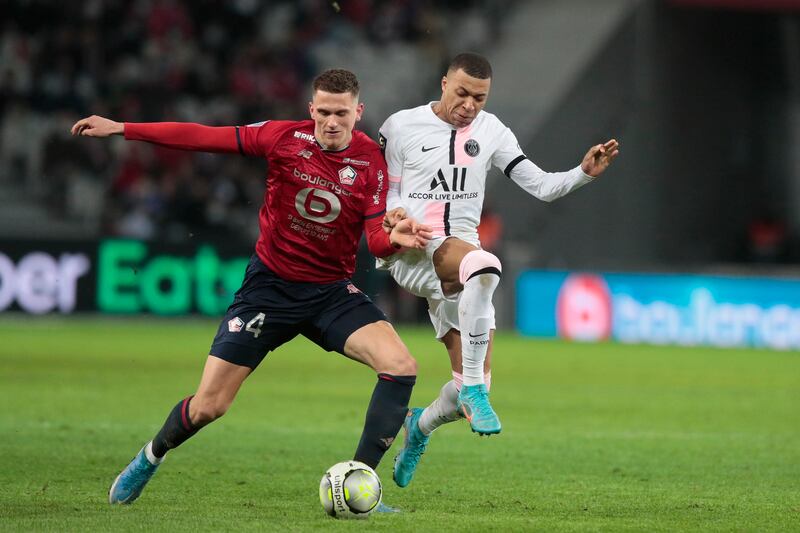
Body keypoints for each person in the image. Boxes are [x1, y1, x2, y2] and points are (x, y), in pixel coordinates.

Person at [71, 69, 433, 508]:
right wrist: (123, 128)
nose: (331, 122)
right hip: (269, 290)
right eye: (323, 112)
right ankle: (150, 456)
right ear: (310, 109)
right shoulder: (282, 138)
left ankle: (360, 483)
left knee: (401, 365)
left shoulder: (373, 162)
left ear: (358, 112)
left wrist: (394, 240)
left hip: (329, 293)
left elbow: (375, 238)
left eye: (341, 113)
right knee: (209, 406)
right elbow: (203, 136)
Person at [377, 53, 619, 487]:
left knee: (473, 387)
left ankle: (420, 426)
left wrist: (583, 174)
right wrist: (394, 220)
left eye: (480, 98)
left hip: (460, 266)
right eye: (462, 93)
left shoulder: (493, 132)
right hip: (415, 252)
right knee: (486, 264)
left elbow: (542, 186)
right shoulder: (400, 126)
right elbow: (387, 194)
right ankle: (471, 389)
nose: (470, 105)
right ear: (444, 82)